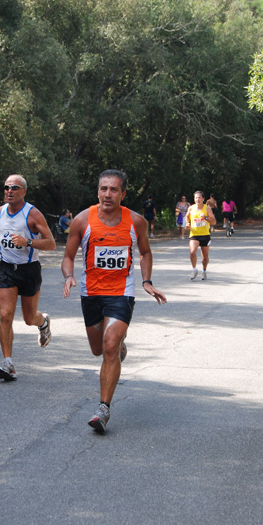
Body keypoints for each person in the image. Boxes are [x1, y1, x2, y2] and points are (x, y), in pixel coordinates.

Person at [62, 169, 167, 434]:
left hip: (122, 292)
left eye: (114, 190)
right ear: (98, 191)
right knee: (99, 350)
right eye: (103, 189)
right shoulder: (82, 220)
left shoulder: (136, 221)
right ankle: (119, 348)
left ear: (123, 193)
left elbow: (144, 253)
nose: (108, 194)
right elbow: (68, 256)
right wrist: (69, 276)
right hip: (91, 294)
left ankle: (103, 409)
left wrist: (146, 281)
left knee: (109, 346)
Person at [0, 174, 56, 381]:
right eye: (7, 187)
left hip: (29, 269)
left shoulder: (33, 214)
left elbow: (51, 243)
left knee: (28, 318)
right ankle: (7, 362)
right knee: (5, 315)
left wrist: (27, 242)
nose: (9, 191)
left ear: (23, 191)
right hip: (6, 268)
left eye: (14, 188)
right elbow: (1, 232)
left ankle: (43, 322)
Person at [186, 190, 216, 281]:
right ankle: (194, 269)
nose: (197, 199)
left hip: (205, 235)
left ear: (203, 199)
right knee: (192, 252)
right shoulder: (191, 208)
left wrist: (206, 218)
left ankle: (204, 271)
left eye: (199, 198)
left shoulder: (207, 208)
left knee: (205, 257)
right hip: (194, 234)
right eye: (196, 198)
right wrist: (187, 224)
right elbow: (187, 217)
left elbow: (214, 222)